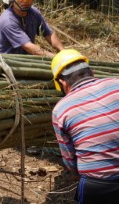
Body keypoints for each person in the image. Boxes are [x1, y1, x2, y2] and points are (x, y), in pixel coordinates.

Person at [51, 49, 119, 203]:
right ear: (92, 72)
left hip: (99, 186)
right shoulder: (117, 84)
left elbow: (70, 162)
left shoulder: (61, 109)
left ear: (62, 83)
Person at [0, 0, 64, 57]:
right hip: (8, 62)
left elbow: (49, 34)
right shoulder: (8, 20)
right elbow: (28, 46)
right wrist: (56, 57)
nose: (25, 0)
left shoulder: (34, 13)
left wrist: (63, 52)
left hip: (27, 60)